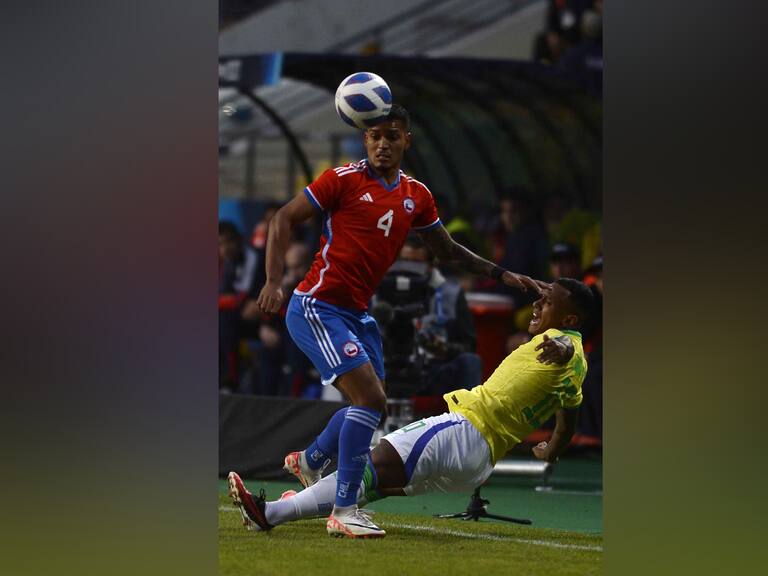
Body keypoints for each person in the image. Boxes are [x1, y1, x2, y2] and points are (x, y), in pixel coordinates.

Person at [253, 104, 550, 538]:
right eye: (374, 135)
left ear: (406, 141)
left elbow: (446, 250)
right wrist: (274, 280)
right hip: (317, 305)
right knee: (369, 402)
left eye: (392, 135)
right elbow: (283, 218)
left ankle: (311, 460)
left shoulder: (417, 195)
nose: (382, 143)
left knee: (374, 406)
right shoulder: (341, 180)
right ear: (364, 140)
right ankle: (344, 509)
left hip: (356, 314)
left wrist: (501, 273)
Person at [229, 278, 593, 537]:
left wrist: (561, 347)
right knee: (370, 483)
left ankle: (286, 496)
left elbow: (565, 349)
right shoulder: (572, 367)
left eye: (547, 301)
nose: (537, 303)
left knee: (368, 465)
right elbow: (569, 415)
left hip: (465, 431)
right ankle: (282, 503)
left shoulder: (563, 346)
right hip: (478, 460)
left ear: (570, 320)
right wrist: (552, 448)